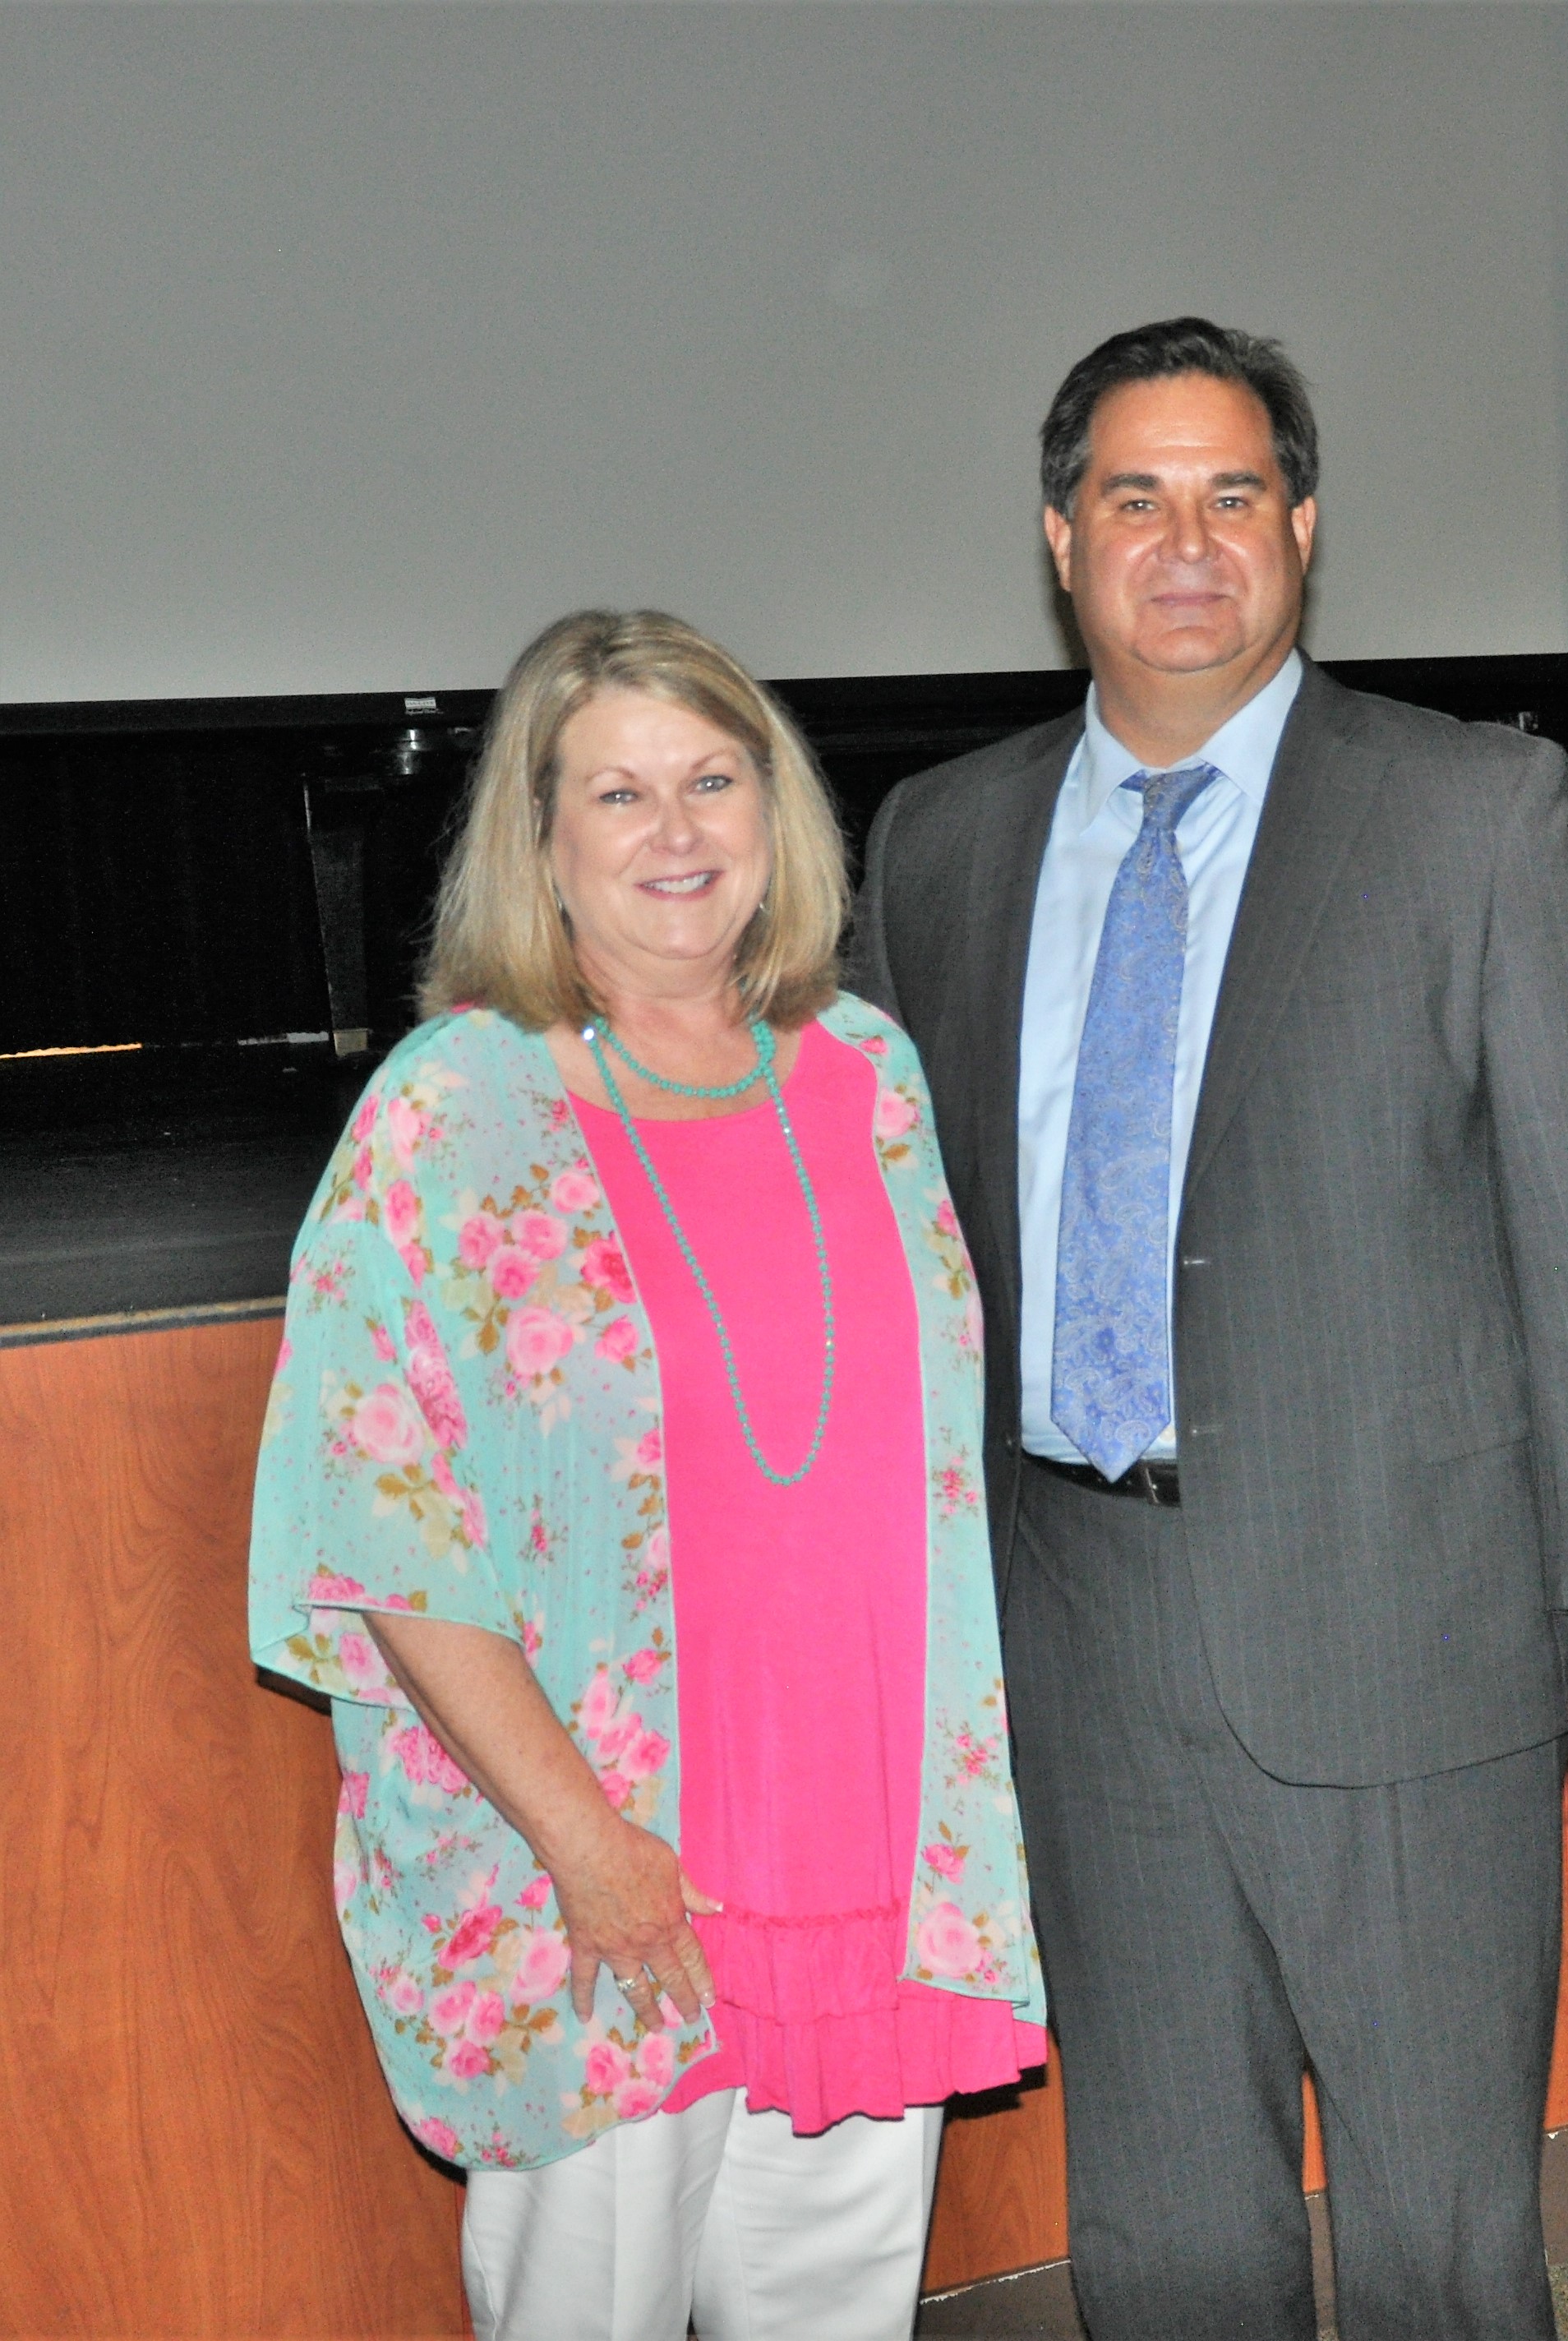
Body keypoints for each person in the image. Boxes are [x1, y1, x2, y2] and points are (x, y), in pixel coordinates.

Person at [848, 319, 1568, 2341]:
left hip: (1403, 1641)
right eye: (1134, 497)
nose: (1187, 541)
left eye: (1235, 494)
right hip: (1074, 1637)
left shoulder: (1472, 814)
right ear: (1060, 539)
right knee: (1161, 2240)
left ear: (1303, 529)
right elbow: (884, 1235)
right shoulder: (940, 846)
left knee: (1437, 2241)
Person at [249, 609, 1045, 2341]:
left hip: (860, 1844)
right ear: (541, 843)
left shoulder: (871, 1074)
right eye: (618, 794)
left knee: (834, 2313)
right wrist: (588, 1843)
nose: (676, 832)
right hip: (606, 1867)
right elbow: (377, 1538)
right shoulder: (450, 1113)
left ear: (778, 814)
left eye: (711, 780)